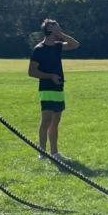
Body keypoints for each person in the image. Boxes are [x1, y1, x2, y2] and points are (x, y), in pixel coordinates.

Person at [28, 18, 80, 160]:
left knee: (56, 121)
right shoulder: (39, 49)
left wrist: (61, 34)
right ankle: (42, 153)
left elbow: (75, 44)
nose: (59, 29)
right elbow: (31, 72)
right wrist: (50, 76)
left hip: (58, 88)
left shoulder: (57, 46)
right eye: (56, 27)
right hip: (46, 89)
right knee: (46, 120)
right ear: (49, 30)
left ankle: (54, 153)